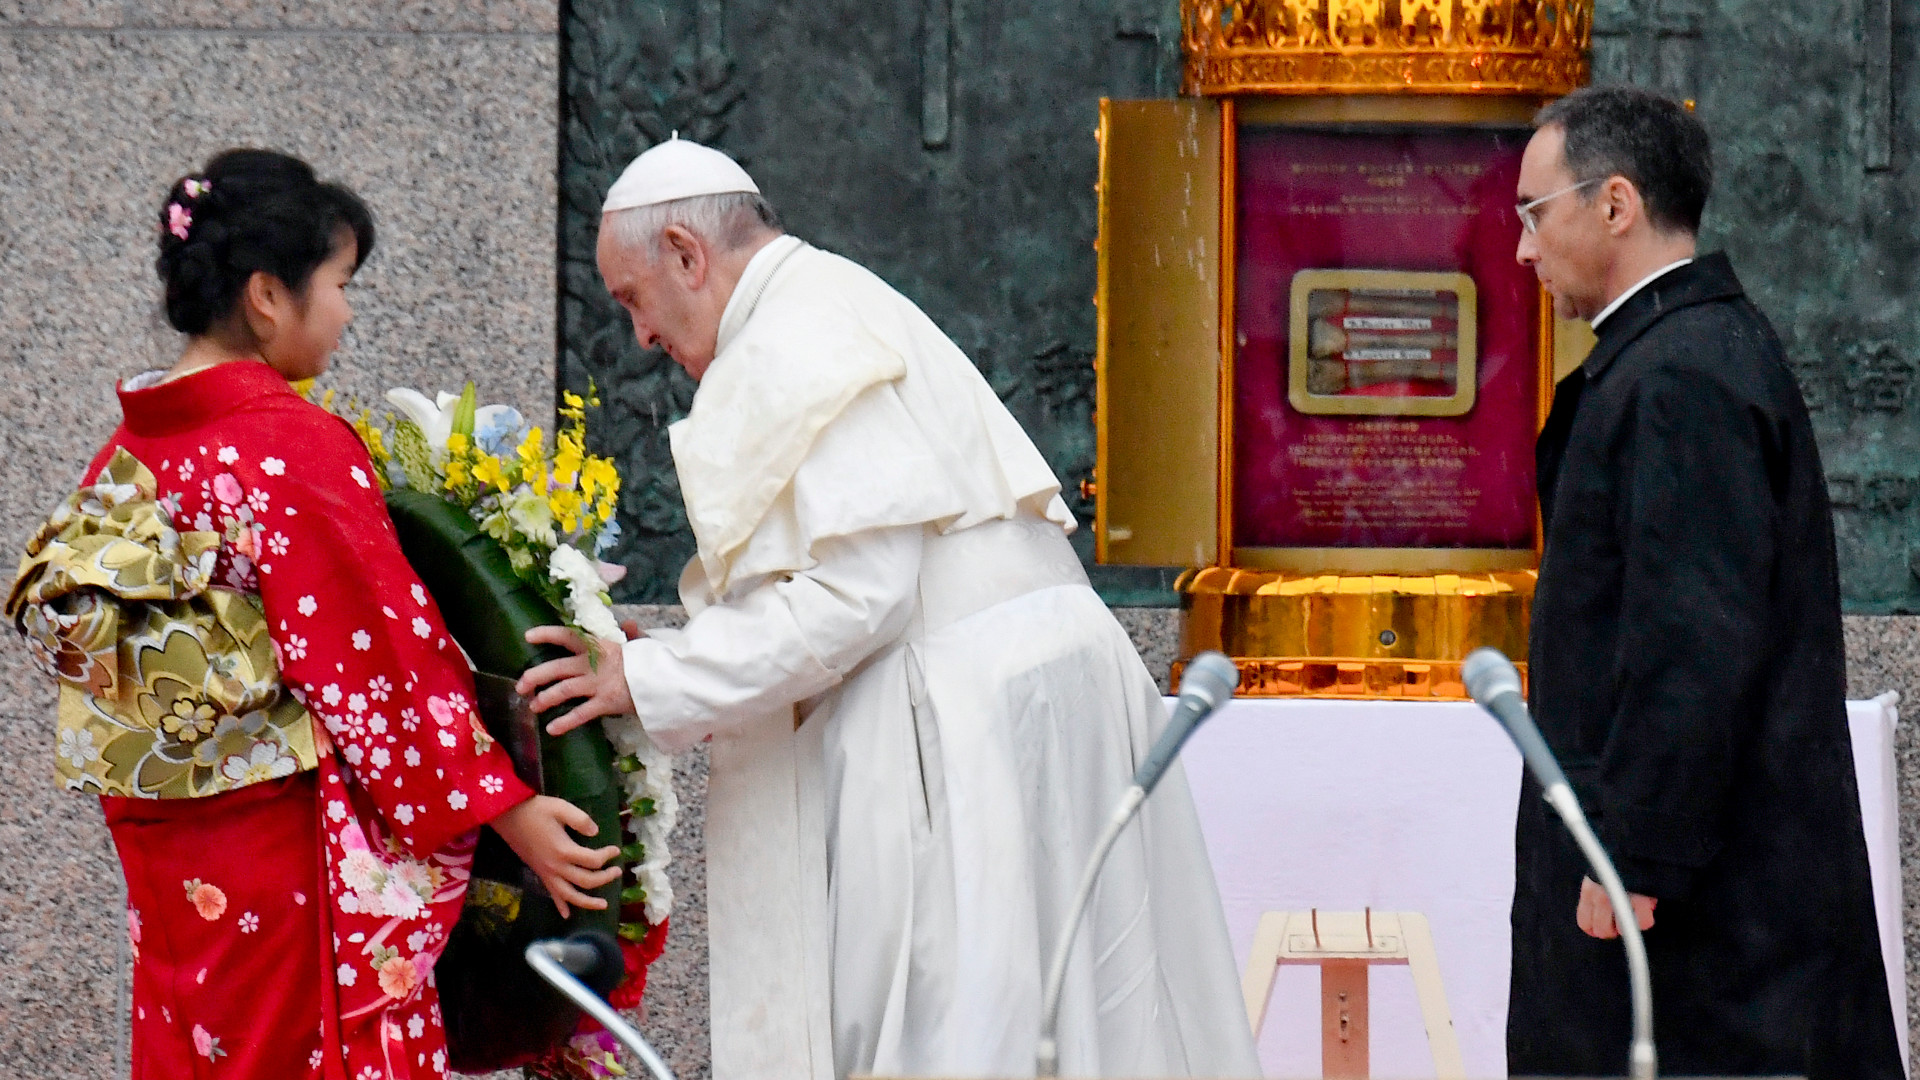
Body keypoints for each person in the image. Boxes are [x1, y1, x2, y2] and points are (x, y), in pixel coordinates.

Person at [516, 137, 1260, 1079]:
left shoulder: (789, 336)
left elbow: (851, 600)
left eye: (633, 298)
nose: (640, 338)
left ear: (686, 253)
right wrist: (679, 652)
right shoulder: (830, 299)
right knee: (1088, 1030)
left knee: (956, 1034)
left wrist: (650, 673)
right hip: (1029, 691)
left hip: (968, 722)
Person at [9, 149, 618, 1079]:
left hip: (174, 852)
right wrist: (505, 806)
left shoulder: (127, 456)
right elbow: (376, 661)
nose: (346, 311)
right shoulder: (287, 445)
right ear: (266, 296)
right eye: (340, 284)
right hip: (288, 850)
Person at [1510, 86, 1903, 1076]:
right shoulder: (1681, 354)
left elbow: (1691, 638)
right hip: (1704, 912)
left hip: (1702, 940)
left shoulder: (1680, 377)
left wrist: (1636, 851)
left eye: (1533, 213)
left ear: (1614, 205)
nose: (1521, 249)